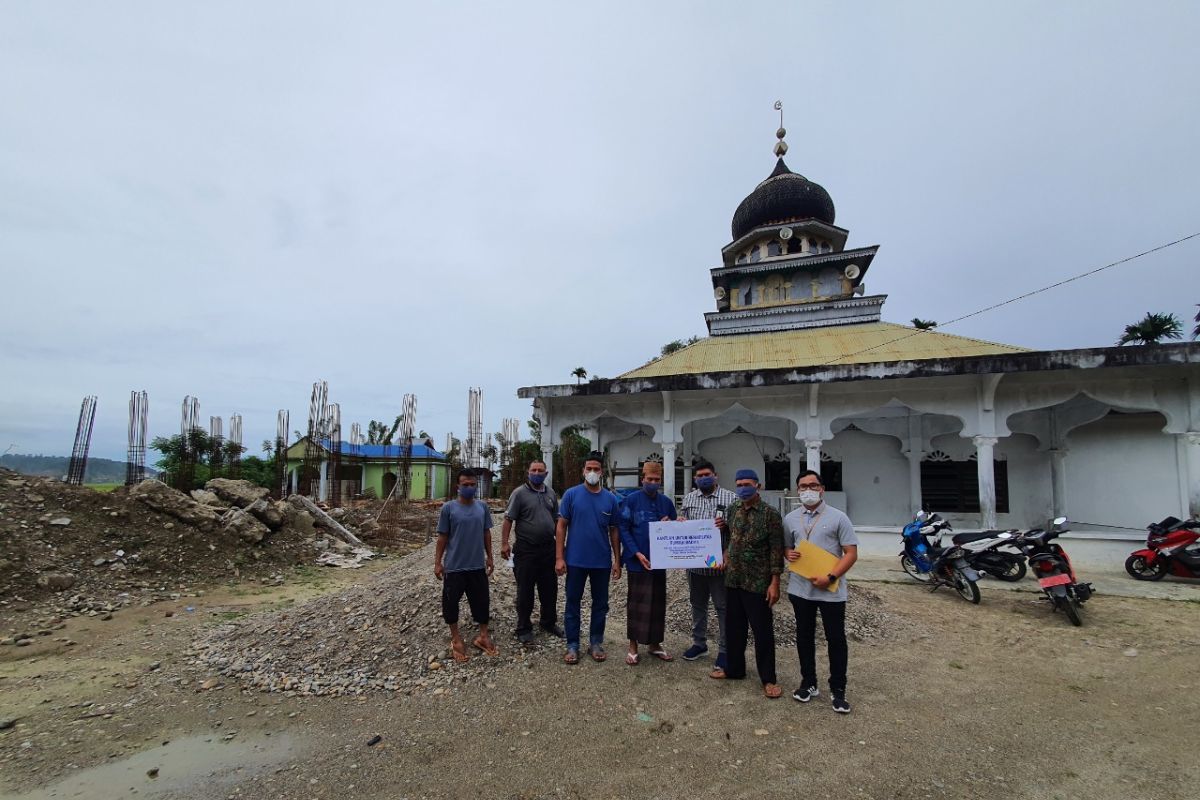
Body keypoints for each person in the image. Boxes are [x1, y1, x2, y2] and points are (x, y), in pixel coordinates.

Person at [783, 469, 859, 714]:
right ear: (798, 490)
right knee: (804, 637)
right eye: (803, 486)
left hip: (831, 590)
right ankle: (809, 682)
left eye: (812, 485)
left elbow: (851, 553)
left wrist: (831, 576)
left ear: (822, 488)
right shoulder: (791, 518)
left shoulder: (838, 518)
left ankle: (838, 690)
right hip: (800, 589)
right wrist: (788, 554)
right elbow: (787, 547)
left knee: (835, 639)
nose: (807, 490)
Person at [711, 468, 785, 699]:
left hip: (758, 583)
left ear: (758, 486)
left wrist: (775, 582)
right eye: (739, 484)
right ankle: (734, 669)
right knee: (734, 629)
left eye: (747, 484)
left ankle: (769, 678)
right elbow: (730, 540)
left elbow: (776, 550)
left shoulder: (770, 514)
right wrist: (724, 554)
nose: (742, 488)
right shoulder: (733, 510)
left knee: (762, 632)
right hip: (733, 580)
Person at [555, 452, 622, 665]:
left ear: (602, 472)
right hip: (575, 561)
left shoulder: (611, 499)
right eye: (589, 468)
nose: (592, 472)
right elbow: (561, 526)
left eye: (596, 469)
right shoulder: (571, 495)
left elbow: (614, 531)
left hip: (601, 562)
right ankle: (572, 644)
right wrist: (559, 557)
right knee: (572, 603)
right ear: (583, 471)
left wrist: (617, 561)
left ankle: (595, 642)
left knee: (600, 604)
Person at [434, 469, 498, 663]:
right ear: (458, 487)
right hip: (454, 568)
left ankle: (483, 636)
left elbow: (486, 533)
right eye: (465, 485)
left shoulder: (482, 508)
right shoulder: (448, 509)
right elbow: (442, 537)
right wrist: (438, 562)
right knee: (451, 604)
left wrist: (490, 557)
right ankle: (456, 638)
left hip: (476, 566)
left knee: (481, 602)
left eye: (472, 484)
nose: (469, 488)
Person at [617, 460, 677, 665]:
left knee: (658, 603)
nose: (653, 482)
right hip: (637, 562)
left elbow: (675, 528)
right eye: (649, 479)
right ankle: (633, 646)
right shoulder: (631, 500)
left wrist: (672, 525)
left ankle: (654, 644)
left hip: (659, 561)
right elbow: (623, 528)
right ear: (643, 479)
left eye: (656, 479)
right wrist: (636, 553)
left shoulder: (666, 503)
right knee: (637, 603)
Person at [679, 460, 737, 671]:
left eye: (707, 474)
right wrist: (679, 524)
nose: (704, 478)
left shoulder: (731, 498)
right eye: (700, 475)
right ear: (695, 479)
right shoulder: (689, 499)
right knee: (698, 605)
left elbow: (738, 532)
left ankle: (724, 649)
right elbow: (684, 525)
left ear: (716, 475)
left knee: (722, 607)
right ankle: (699, 644)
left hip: (719, 566)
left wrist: (726, 553)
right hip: (695, 567)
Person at [501, 460, 563, 645]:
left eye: (540, 470)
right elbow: (508, 519)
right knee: (525, 591)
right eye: (533, 470)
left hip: (547, 550)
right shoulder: (519, 494)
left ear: (546, 473)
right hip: (526, 550)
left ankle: (548, 623)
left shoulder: (551, 493)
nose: (537, 473)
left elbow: (557, 522)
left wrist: (560, 549)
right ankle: (523, 628)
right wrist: (504, 543)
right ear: (528, 472)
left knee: (549, 590)